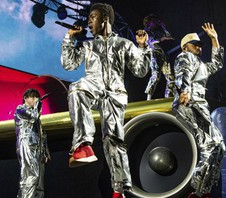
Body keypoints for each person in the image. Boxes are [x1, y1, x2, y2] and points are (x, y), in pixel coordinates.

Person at [60, 3, 151, 198]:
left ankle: (119, 190)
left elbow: (140, 70)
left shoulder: (124, 44)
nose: (89, 21)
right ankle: (83, 146)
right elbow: (68, 64)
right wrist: (69, 37)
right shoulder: (88, 45)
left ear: (105, 19)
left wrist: (143, 47)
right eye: (89, 18)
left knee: (114, 141)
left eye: (93, 17)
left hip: (116, 93)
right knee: (76, 89)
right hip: (94, 84)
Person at [172, 23, 226, 198]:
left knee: (219, 145)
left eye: (200, 44)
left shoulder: (201, 64)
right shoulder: (185, 56)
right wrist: (184, 91)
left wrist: (214, 39)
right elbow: (182, 73)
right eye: (194, 44)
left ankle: (203, 190)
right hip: (190, 103)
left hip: (199, 104)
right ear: (184, 47)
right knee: (211, 144)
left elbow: (217, 64)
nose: (198, 47)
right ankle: (194, 189)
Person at [14, 88, 51, 198]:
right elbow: (33, 116)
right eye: (33, 97)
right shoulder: (20, 110)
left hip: (38, 149)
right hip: (27, 145)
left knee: (39, 182)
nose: (36, 100)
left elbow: (43, 135)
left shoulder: (37, 119)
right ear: (25, 98)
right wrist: (37, 106)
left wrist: (45, 152)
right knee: (31, 176)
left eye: (37, 98)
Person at [143, 14, 175, 100]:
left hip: (163, 53)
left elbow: (169, 36)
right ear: (148, 22)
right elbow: (151, 40)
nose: (155, 23)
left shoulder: (158, 31)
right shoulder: (145, 31)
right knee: (155, 75)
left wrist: (163, 26)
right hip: (154, 53)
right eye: (153, 21)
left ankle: (169, 97)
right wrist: (162, 39)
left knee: (170, 76)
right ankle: (148, 98)